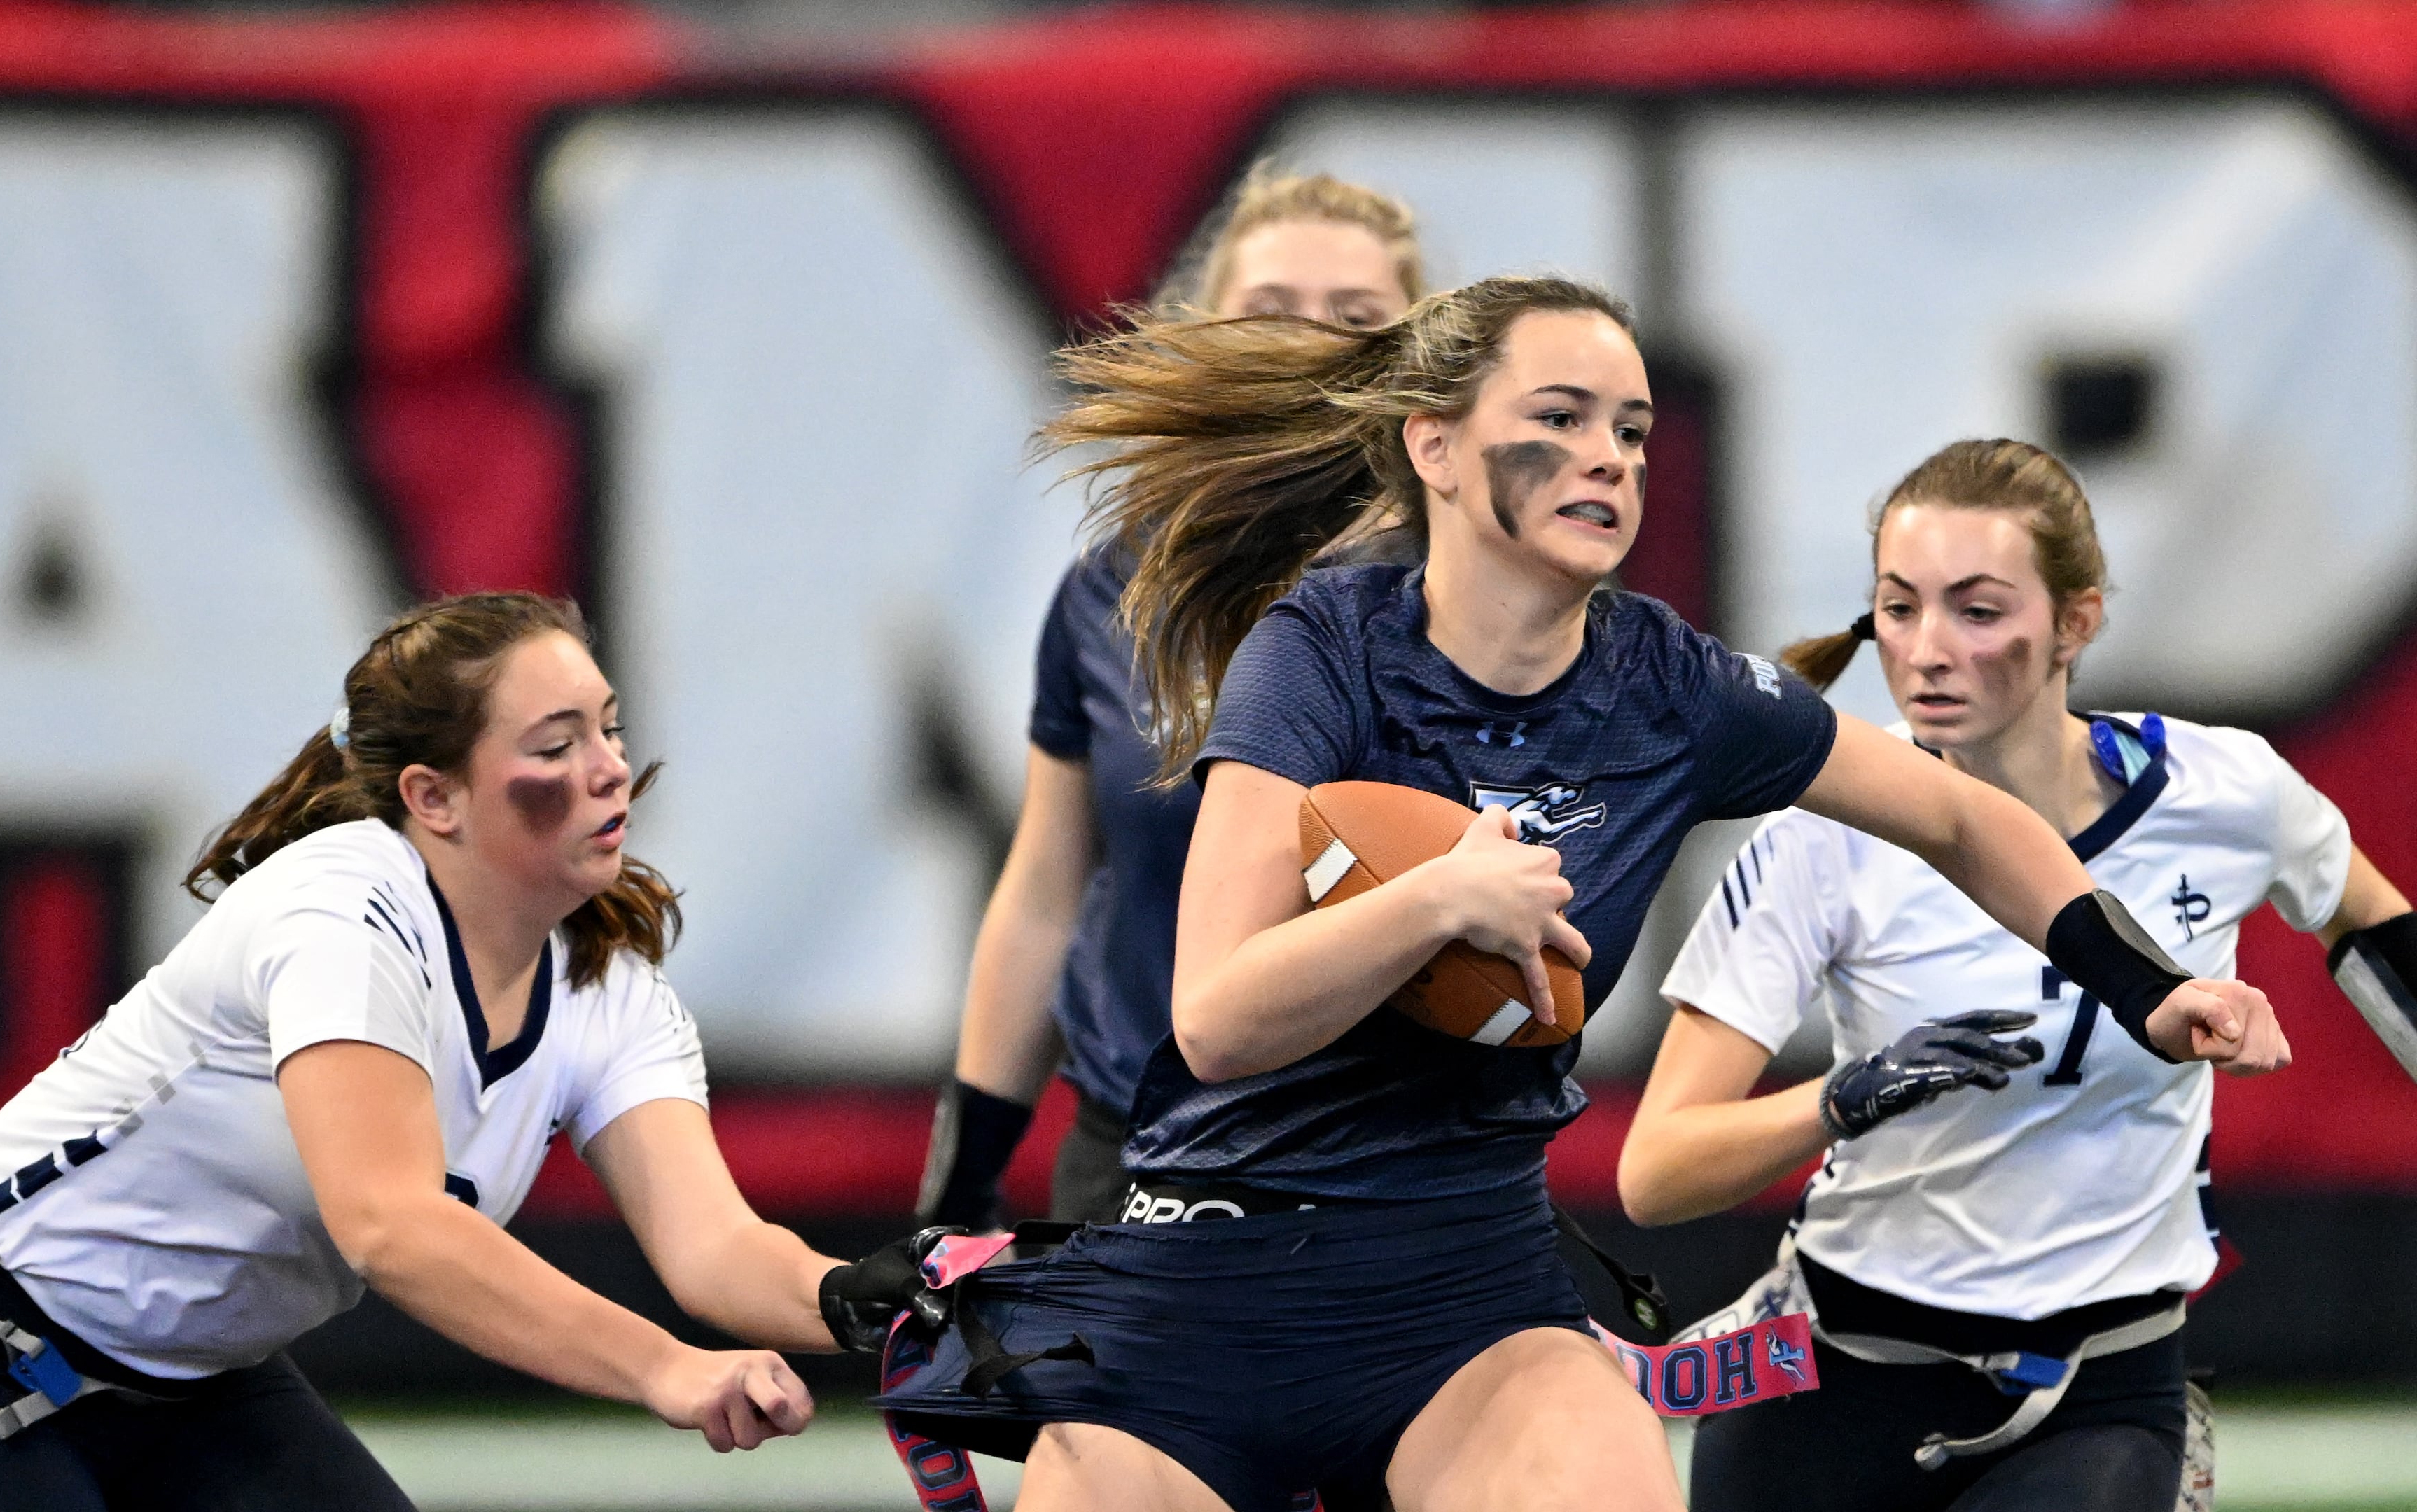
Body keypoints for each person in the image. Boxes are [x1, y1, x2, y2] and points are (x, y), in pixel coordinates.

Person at [870, 278, 2281, 1512]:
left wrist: (2153, 992)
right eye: (1560, 417)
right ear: (1435, 446)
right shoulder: (1319, 651)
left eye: (1632, 429)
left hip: (1464, 1289)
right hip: (1210, 1275)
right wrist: (1434, 903)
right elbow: (1219, 1020)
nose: (1607, 457)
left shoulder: (1667, 681)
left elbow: (1966, 818)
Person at [0, 594, 863, 1511]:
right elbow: (390, 1227)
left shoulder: (605, 986)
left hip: (193, 1387)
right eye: (555, 745)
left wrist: (896, 1306)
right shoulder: (343, 908)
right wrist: (663, 1368)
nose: (611, 771)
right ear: (431, 798)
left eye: (610, 729)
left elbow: (717, 1250)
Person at [1616, 440, 2416, 1512]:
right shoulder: (1827, 835)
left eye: (1978, 610)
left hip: (2101, 1389)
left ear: (2076, 622)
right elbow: (1656, 1171)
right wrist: (1839, 1101)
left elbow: (2370, 922)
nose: (1928, 650)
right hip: (1839, 1371)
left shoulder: (2228, 791)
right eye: (1899, 609)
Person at [919, 167, 1426, 1231]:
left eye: (1356, 316)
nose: (1309, 340)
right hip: (1141, 1149)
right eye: (1271, 308)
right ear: (1206, 333)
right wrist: (961, 1186)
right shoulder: (1113, 591)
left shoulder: (1464, 597)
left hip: (1387, 1158)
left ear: (1417, 358)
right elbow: (1047, 891)